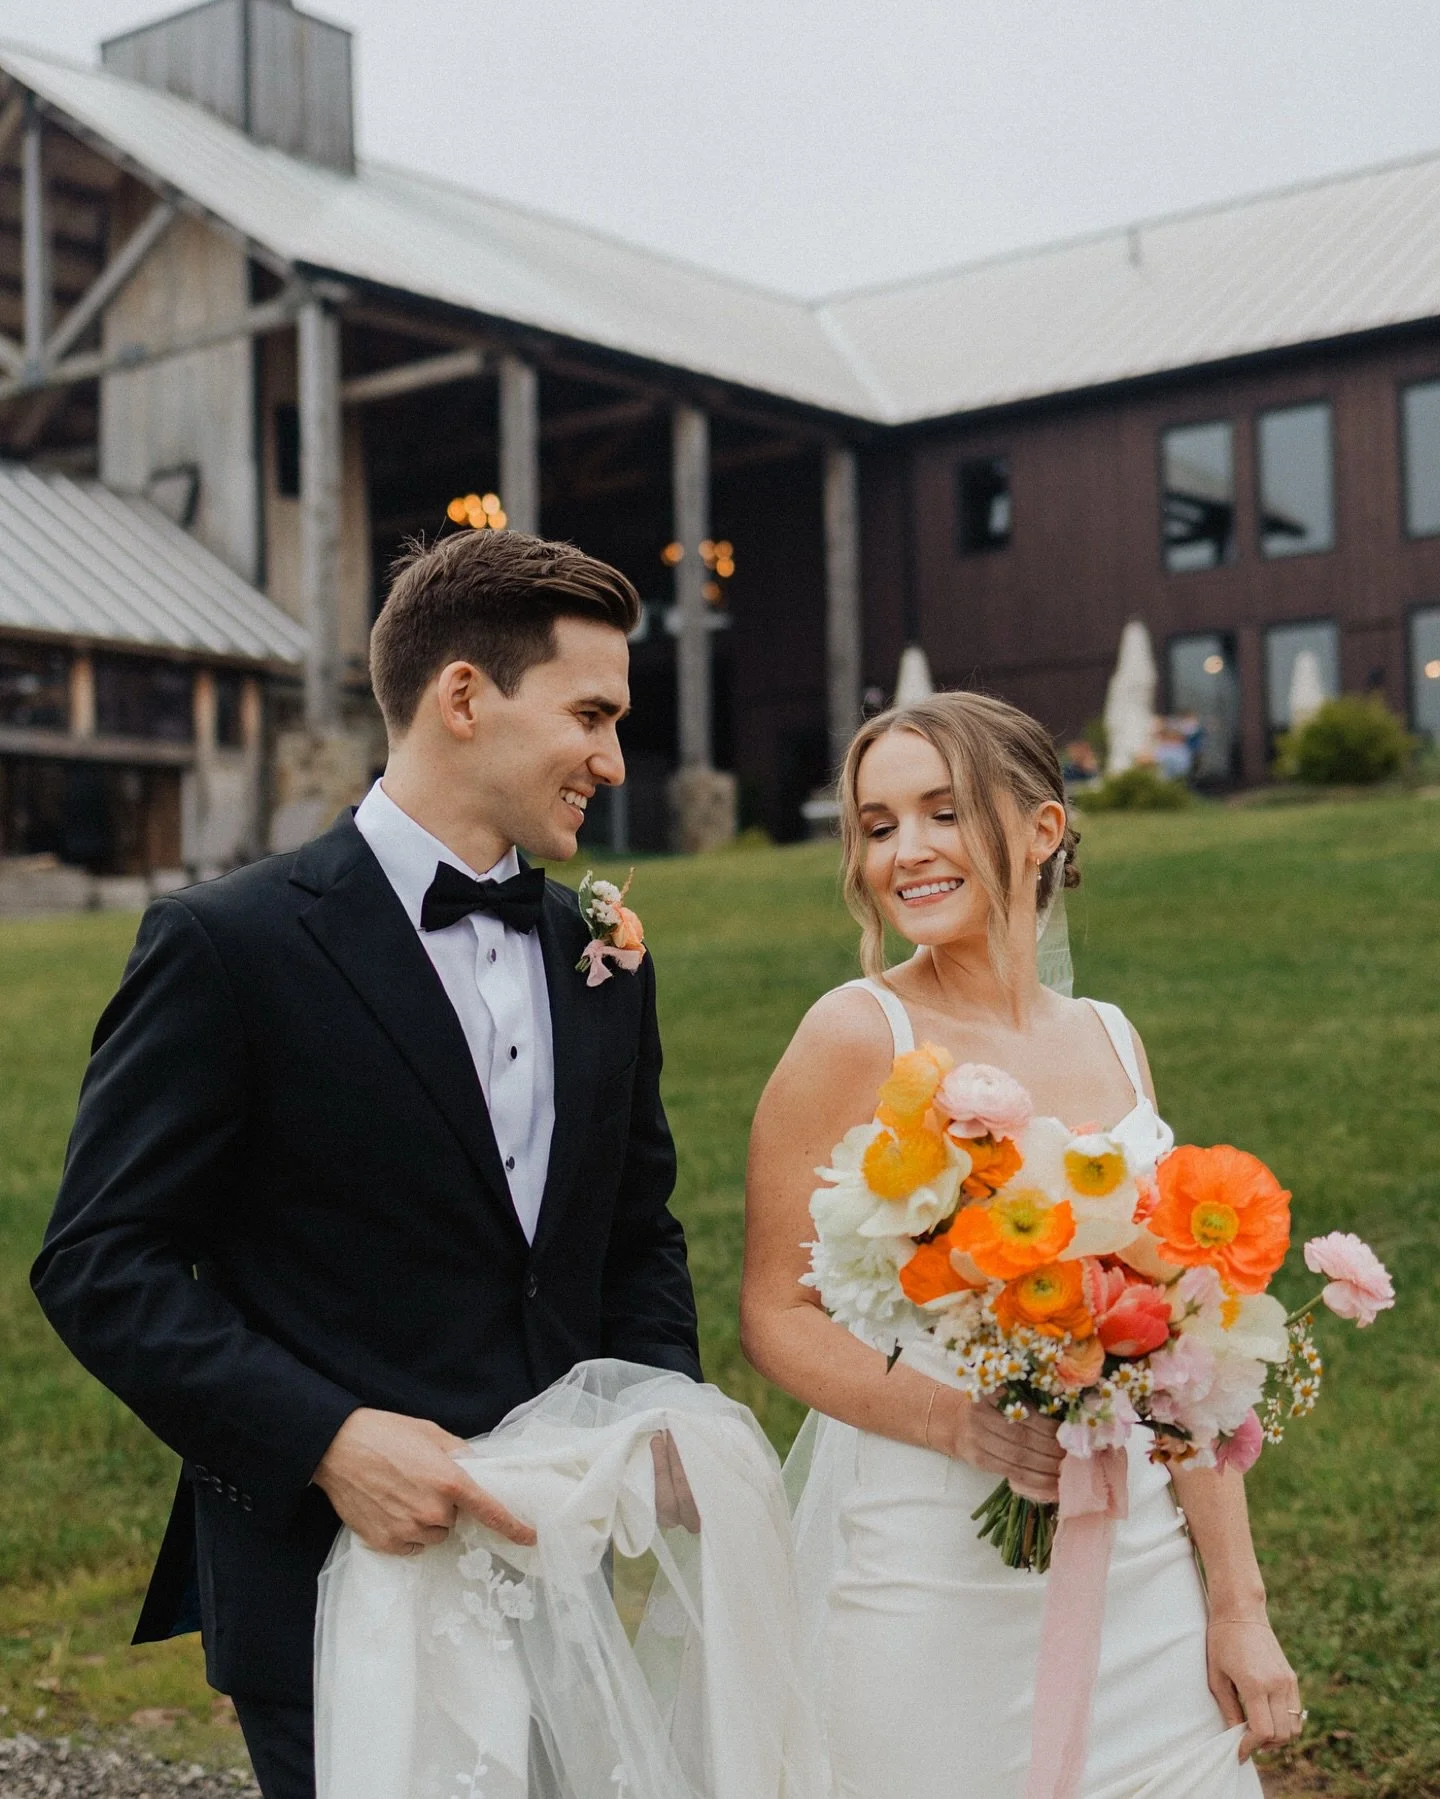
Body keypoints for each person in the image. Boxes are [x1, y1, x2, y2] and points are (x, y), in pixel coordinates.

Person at [31, 529, 701, 1799]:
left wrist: (660, 1407)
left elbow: (633, 1225)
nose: (614, 760)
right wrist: (328, 1438)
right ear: (463, 696)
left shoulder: (600, 953)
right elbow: (98, 1261)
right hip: (330, 1574)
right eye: (592, 714)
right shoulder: (225, 945)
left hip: (555, 1570)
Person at [741, 691, 1302, 1798]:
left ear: (1042, 829)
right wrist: (963, 1424)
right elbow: (773, 1311)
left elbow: (1185, 1353)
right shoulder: (857, 1033)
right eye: (880, 823)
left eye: (942, 812)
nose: (906, 852)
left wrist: (1236, 1603)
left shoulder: (1113, 1036)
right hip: (931, 1567)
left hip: (1142, 1570)